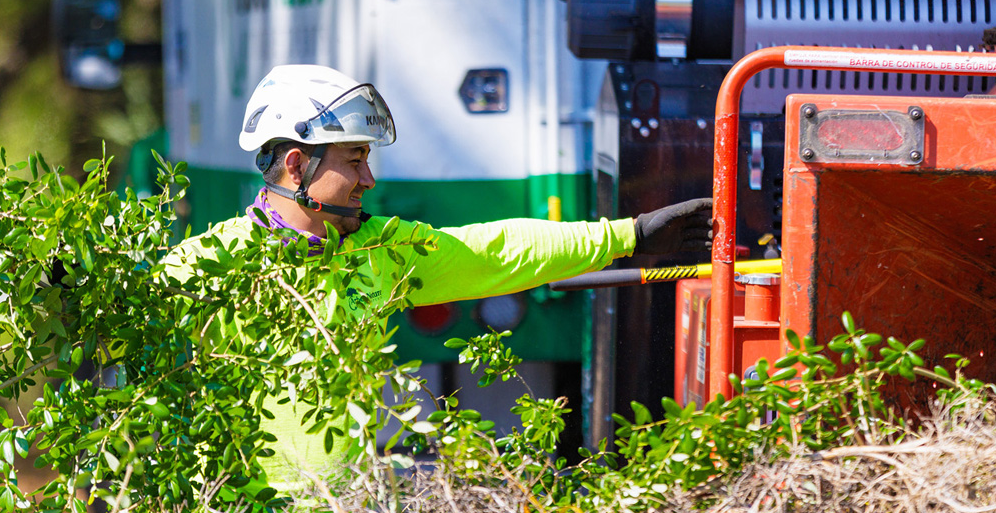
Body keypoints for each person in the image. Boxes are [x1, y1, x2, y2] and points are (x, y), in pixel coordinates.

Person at [165, 64, 712, 490]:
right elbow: (123, 327)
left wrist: (629, 237)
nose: (369, 178)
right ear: (295, 164)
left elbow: (494, 250)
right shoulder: (211, 264)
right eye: (354, 160)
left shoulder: (380, 248)